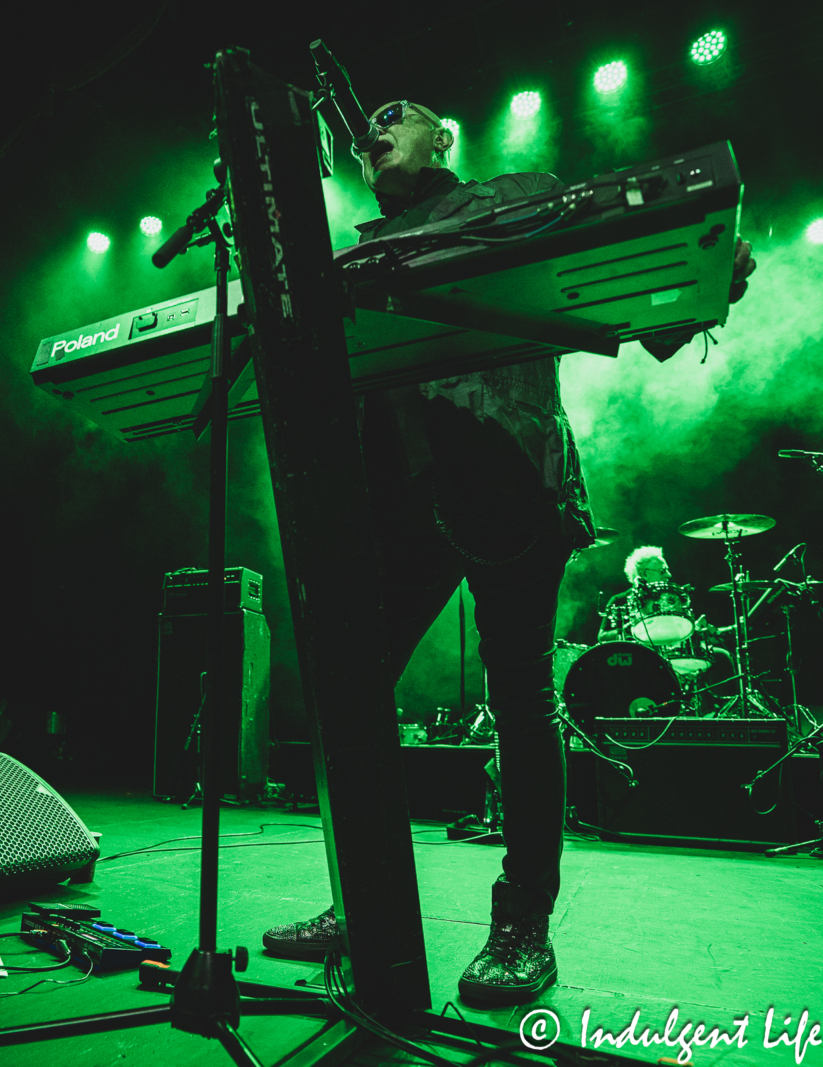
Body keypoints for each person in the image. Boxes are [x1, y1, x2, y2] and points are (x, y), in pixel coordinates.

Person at [259, 100, 756, 1004]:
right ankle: (362, 900)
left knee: (520, 698)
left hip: (508, 475)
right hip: (401, 496)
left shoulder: (514, 196)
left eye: (396, 116)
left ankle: (523, 923)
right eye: (367, 124)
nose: (376, 128)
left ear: (444, 139)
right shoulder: (362, 248)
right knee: (350, 691)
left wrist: (700, 280)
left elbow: (625, 292)